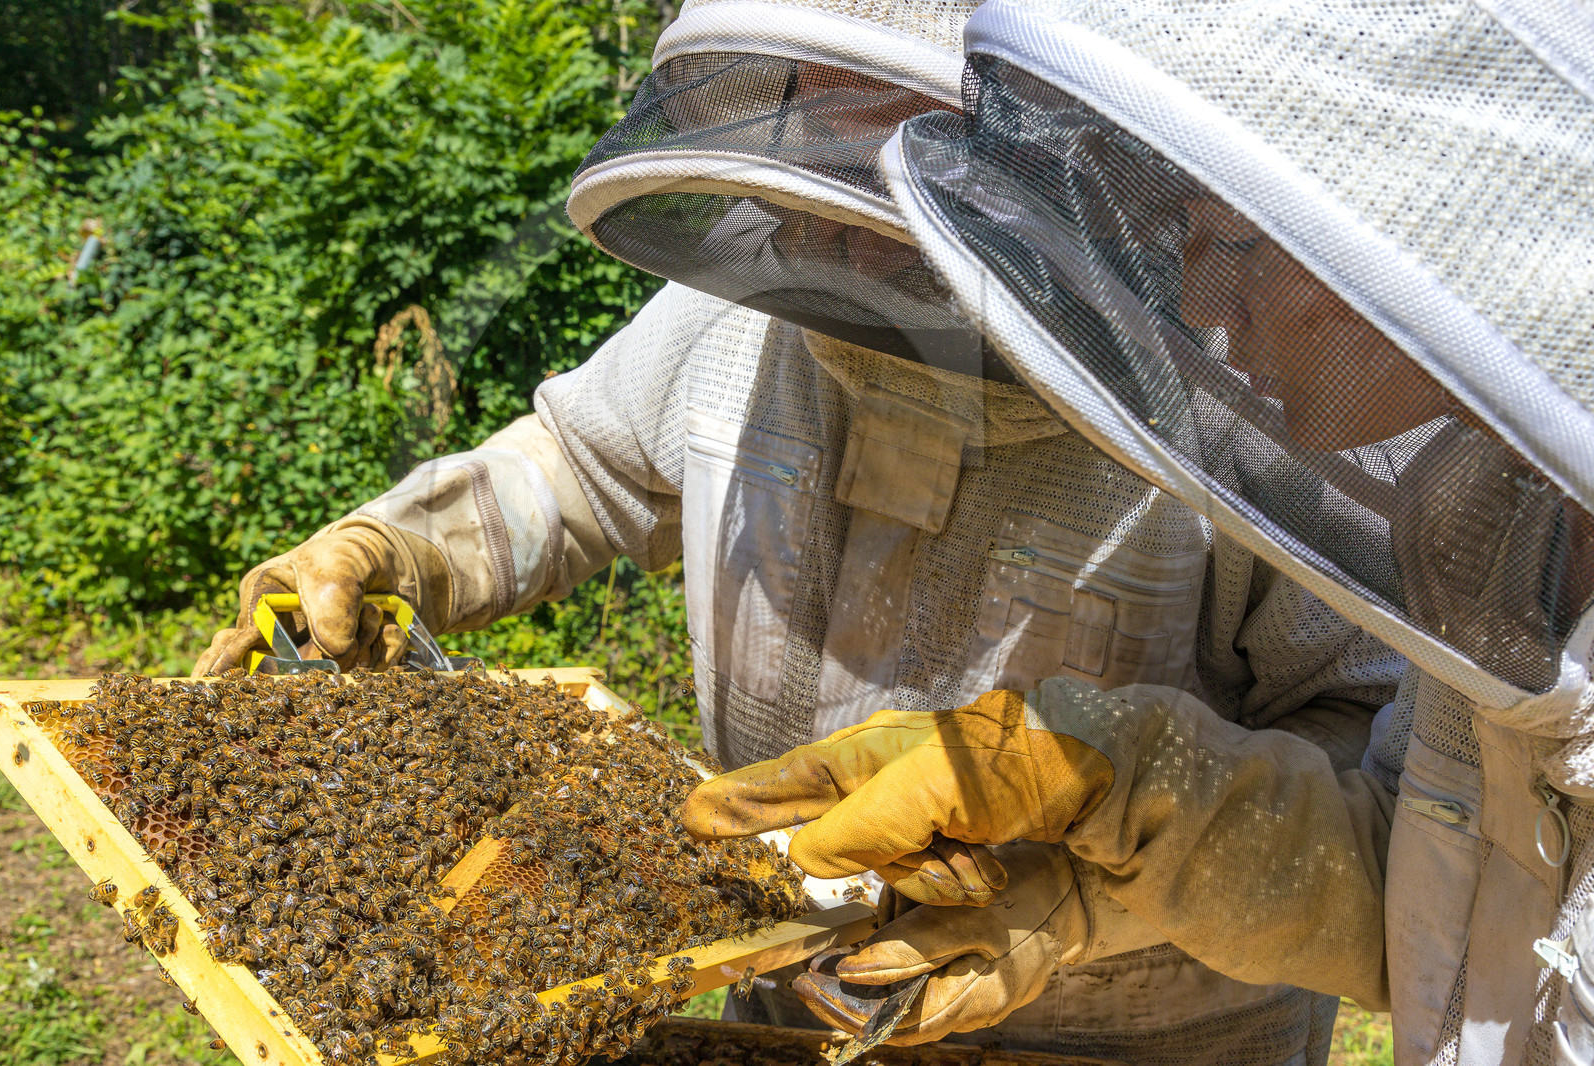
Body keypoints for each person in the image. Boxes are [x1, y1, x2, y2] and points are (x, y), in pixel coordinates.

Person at [196, 1, 1406, 1062]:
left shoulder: (1261, 400)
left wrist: (1066, 904)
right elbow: (578, 466)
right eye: (813, 140)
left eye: (885, 167)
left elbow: (1365, 753)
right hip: (777, 990)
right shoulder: (740, 314)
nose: (825, 222)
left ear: (1038, 169)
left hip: (1142, 1037)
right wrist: (399, 546)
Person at [682, 1, 1594, 1063]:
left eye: (1236, 241)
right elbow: (1432, 891)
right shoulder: (1507, 550)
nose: (1201, 296)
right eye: (1186, 237)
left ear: (1420, 226)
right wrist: (1108, 793)